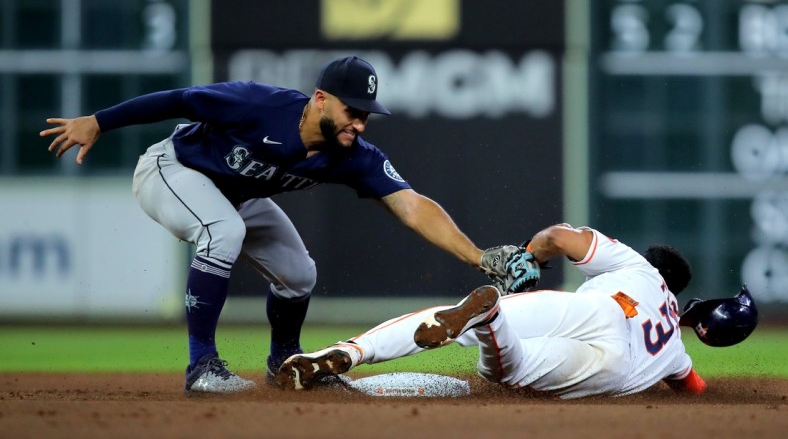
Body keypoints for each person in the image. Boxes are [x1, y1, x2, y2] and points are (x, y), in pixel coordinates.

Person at [39, 56, 530, 394]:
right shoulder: (258, 105)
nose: (359, 124)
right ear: (320, 98)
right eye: (351, 111)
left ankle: (285, 361)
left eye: (366, 116)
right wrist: (100, 121)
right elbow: (180, 99)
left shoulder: (352, 155)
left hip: (237, 196)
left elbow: (411, 205)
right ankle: (202, 366)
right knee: (222, 232)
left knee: (299, 274)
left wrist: (478, 256)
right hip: (172, 170)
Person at [274, 222, 757, 398]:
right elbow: (693, 387)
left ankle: (347, 352)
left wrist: (530, 255)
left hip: (594, 311)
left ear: (655, 268)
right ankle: (491, 323)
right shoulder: (674, 344)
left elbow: (559, 237)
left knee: (451, 315)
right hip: (618, 367)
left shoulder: (636, 267)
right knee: (511, 370)